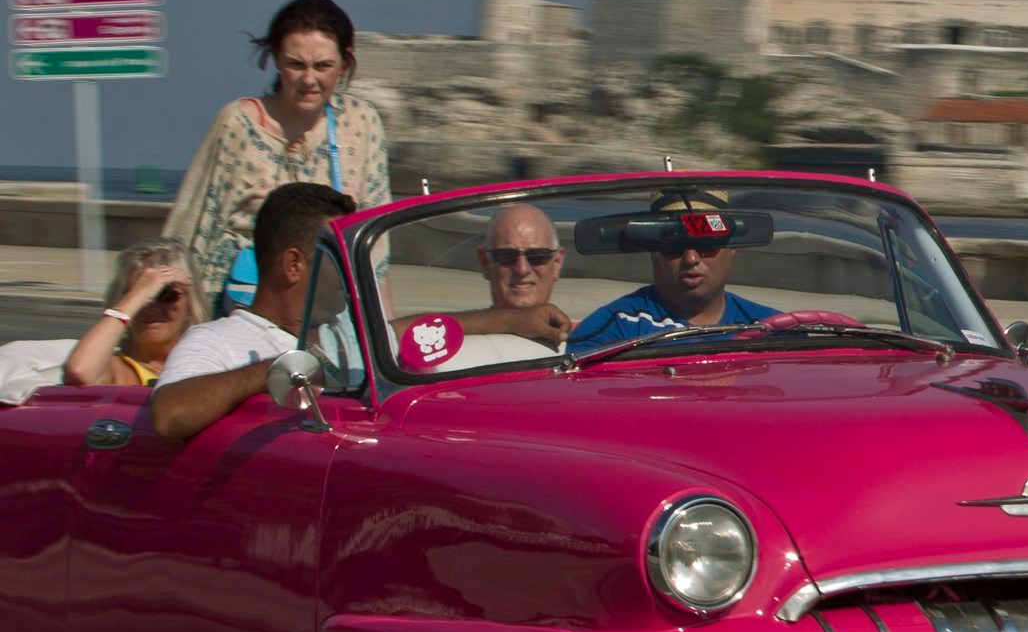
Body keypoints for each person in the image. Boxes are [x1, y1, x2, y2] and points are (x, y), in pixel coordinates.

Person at [152, 183, 571, 442]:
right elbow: (170, 415)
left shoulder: (341, 332)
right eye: (342, 258)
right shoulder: (221, 340)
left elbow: (400, 330)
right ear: (296, 265)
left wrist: (512, 319)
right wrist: (272, 372)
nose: (358, 272)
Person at [162, 0, 390, 311]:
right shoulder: (238, 124)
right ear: (275, 59)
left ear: (344, 64)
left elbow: (374, 244)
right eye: (295, 65)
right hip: (241, 310)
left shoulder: (361, 123)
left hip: (328, 310)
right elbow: (192, 230)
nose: (309, 80)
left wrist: (383, 335)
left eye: (323, 66)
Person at [568, 190, 779, 353]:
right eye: (673, 245)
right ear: (652, 251)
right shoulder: (610, 330)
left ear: (733, 247)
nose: (691, 258)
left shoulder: (775, 329)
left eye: (707, 243)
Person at [63, 238, 207, 387]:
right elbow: (80, 372)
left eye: (167, 296)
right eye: (141, 297)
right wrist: (138, 296)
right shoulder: (117, 370)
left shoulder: (211, 364)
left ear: (190, 303)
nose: (151, 308)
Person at [478, 203, 564, 309]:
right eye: (507, 256)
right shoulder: (459, 325)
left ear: (557, 263)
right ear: (485, 262)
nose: (522, 269)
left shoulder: (585, 326)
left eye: (536, 256)